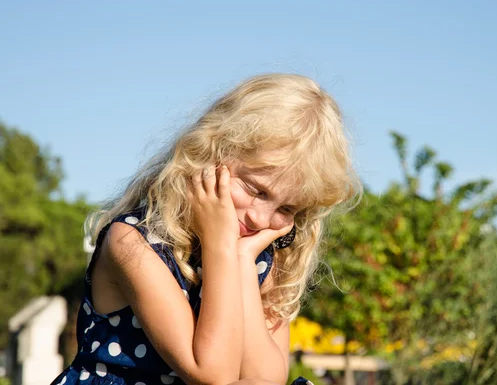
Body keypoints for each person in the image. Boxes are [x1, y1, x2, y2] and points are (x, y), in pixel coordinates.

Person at [50, 73, 361, 385]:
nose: (260, 219)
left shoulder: (256, 253)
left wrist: (240, 261)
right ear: (211, 153)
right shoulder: (132, 242)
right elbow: (212, 375)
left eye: (286, 209)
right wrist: (221, 246)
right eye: (256, 190)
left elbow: (265, 379)